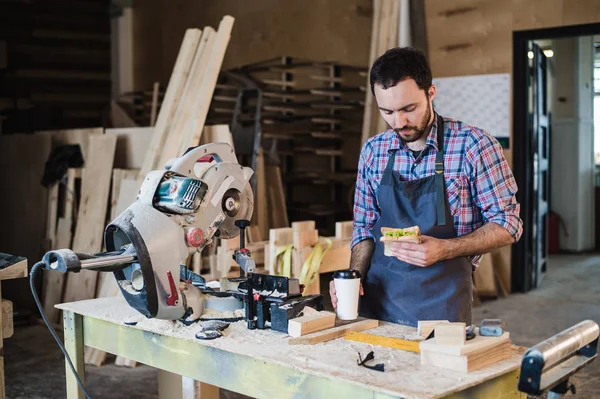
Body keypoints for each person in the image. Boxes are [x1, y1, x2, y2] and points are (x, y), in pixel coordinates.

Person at [329, 47, 523, 327]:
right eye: (388, 112)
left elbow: (509, 224)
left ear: (431, 93)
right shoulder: (374, 151)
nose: (399, 122)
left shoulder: (474, 146)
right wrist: (353, 276)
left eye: (409, 109)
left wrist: (445, 249)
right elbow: (363, 228)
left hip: (442, 306)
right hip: (377, 303)